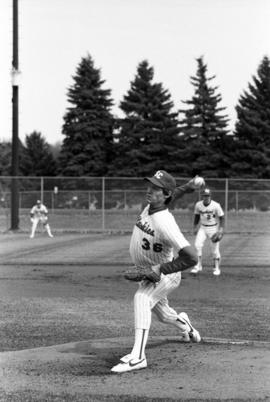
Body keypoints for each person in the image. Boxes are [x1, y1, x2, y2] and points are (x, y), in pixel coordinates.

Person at [111, 170, 203, 374]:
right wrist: (189, 186)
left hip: (166, 274)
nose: (149, 190)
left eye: (156, 188)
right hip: (149, 273)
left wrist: (161, 268)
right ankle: (186, 326)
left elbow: (192, 257)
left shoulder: (165, 222)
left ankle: (138, 356)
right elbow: (175, 193)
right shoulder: (151, 207)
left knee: (142, 299)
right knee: (163, 315)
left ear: (165, 194)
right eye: (150, 185)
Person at [190, 188, 224, 276]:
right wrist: (194, 227)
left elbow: (221, 217)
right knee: (197, 245)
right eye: (204, 195)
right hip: (202, 228)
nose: (206, 197)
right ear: (202, 196)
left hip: (213, 228)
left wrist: (221, 229)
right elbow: (197, 216)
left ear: (210, 196)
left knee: (215, 249)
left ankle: (216, 268)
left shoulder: (216, 205)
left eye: (207, 195)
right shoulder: (198, 205)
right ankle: (198, 265)